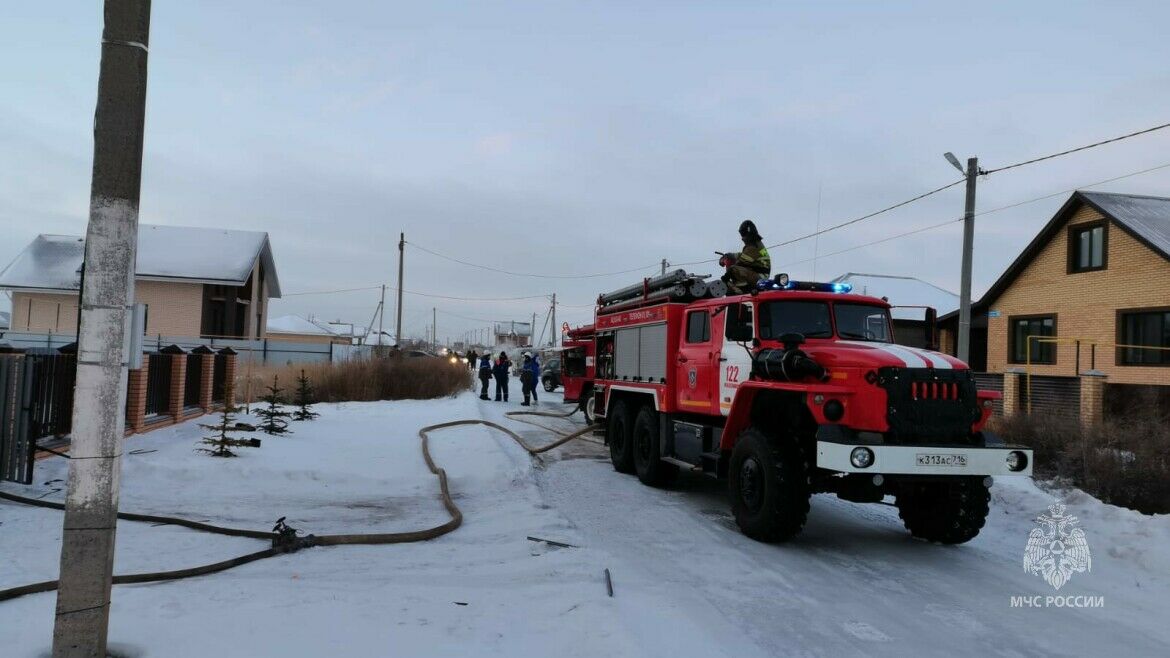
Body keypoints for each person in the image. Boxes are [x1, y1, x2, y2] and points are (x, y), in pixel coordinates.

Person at [721, 220, 771, 294]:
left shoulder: (753, 246)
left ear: (748, 234)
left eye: (743, 235)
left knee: (733, 270)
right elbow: (743, 255)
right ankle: (740, 287)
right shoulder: (756, 243)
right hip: (760, 274)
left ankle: (739, 290)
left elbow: (741, 262)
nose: (742, 238)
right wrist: (730, 255)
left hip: (759, 277)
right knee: (736, 270)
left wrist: (726, 276)